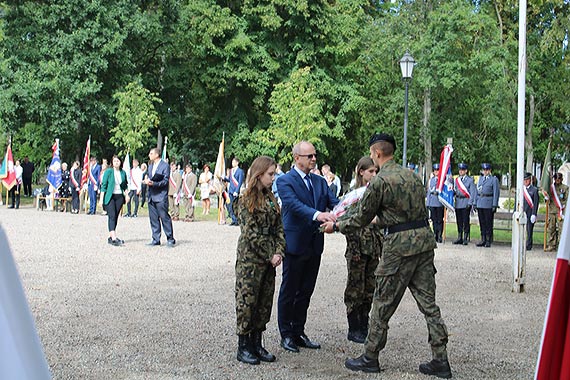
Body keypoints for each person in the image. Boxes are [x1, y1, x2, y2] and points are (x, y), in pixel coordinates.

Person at [321, 133, 451, 378]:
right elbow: (407, 214)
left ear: (378, 153)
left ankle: (370, 357)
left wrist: (336, 226)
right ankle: (440, 359)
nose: (372, 157)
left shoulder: (380, 181)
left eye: (372, 154)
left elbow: (360, 217)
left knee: (381, 304)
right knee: (429, 306)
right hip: (423, 244)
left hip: (398, 250)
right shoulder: (413, 176)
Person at [276, 141, 339, 353]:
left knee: (305, 291)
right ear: (296, 158)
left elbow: (335, 203)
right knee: (289, 290)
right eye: (309, 156)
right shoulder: (285, 180)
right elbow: (294, 205)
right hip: (295, 245)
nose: (313, 159)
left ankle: (298, 331)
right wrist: (317, 214)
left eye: (314, 155)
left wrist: (350, 206)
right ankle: (286, 334)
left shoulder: (320, 182)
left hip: (314, 245)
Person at [234, 156, 285, 365]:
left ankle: (257, 342)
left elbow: (279, 227)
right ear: (259, 174)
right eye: (270, 174)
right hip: (251, 260)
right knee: (247, 301)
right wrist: (270, 253)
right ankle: (244, 345)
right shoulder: (246, 199)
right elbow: (249, 233)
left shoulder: (271, 199)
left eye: (274, 174)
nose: (273, 178)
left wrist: (280, 250)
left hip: (269, 259)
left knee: (264, 302)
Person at [343, 157, 381, 344]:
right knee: (355, 288)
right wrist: (354, 246)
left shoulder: (376, 193)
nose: (374, 175)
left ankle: (364, 324)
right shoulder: (354, 194)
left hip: (373, 247)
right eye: (371, 171)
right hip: (358, 247)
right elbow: (347, 221)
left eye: (376, 171)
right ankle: (354, 327)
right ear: (361, 172)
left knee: (369, 288)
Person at [143, 148, 175, 247]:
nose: (149, 155)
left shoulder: (165, 166)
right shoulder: (150, 166)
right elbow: (149, 176)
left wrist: (154, 183)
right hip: (151, 196)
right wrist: (146, 181)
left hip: (161, 196)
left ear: (157, 155)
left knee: (164, 217)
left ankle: (170, 238)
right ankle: (156, 239)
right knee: (153, 218)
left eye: (151, 153)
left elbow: (165, 181)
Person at [99, 155, 129, 246]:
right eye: (115, 161)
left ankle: (111, 236)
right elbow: (103, 186)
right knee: (111, 215)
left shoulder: (123, 173)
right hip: (110, 196)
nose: (116, 162)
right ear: (112, 162)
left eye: (118, 161)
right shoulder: (108, 172)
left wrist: (127, 195)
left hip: (119, 196)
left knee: (115, 216)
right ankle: (114, 237)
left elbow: (125, 185)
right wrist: (101, 199)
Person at [475, 163, 499, 248]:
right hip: (480, 202)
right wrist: (475, 202)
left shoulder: (493, 180)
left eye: (486, 170)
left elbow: (496, 193)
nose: (485, 171)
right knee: (482, 222)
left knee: (488, 223)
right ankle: (483, 238)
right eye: (484, 170)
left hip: (488, 203)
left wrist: (494, 204)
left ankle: (488, 239)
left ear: (489, 170)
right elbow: (476, 192)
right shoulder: (480, 179)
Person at [453, 163, 476, 245]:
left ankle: (465, 237)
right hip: (458, 201)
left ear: (466, 171)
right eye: (460, 170)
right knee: (459, 221)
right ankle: (459, 237)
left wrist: (470, 203)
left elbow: (472, 192)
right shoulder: (457, 180)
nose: (461, 171)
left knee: (465, 221)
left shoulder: (470, 180)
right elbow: (455, 191)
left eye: (462, 170)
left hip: (465, 201)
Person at [545, 173, 568, 252]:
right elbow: (547, 199)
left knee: (562, 229)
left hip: (561, 212)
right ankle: (551, 245)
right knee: (551, 229)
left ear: (562, 179)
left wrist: (563, 207)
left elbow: (567, 199)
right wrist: (546, 197)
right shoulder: (550, 188)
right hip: (552, 211)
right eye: (556, 178)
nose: (557, 180)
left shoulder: (565, 188)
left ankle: (562, 247)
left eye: (559, 178)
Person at [224, 157, 245, 226]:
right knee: (230, 205)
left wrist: (237, 190)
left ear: (237, 163)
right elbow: (230, 180)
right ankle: (233, 219)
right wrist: (224, 178)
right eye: (232, 162)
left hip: (236, 191)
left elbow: (240, 182)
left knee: (235, 206)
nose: (232, 164)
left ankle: (237, 220)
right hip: (230, 190)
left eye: (234, 162)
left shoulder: (240, 171)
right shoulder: (231, 171)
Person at [427, 163, 444, 243]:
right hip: (433, 201)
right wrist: (428, 203)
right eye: (435, 170)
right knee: (434, 219)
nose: (436, 172)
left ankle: (440, 235)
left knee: (439, 220)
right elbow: (428, 192)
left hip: (440, 201)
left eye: (438, 170)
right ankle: (435, 234)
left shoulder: (442, 180)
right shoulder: (431, 180)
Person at [522, 172, 539, 251]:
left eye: (527, 180)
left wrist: (534, 214)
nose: (525, 181)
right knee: (521, 230)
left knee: (529, 230)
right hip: (522, 212)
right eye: (524, 180)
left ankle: (529, 245)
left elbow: (535, 203)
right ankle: (521, 243)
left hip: (530, 212)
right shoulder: (521, 189)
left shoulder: (534, 190)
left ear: (530, 180)